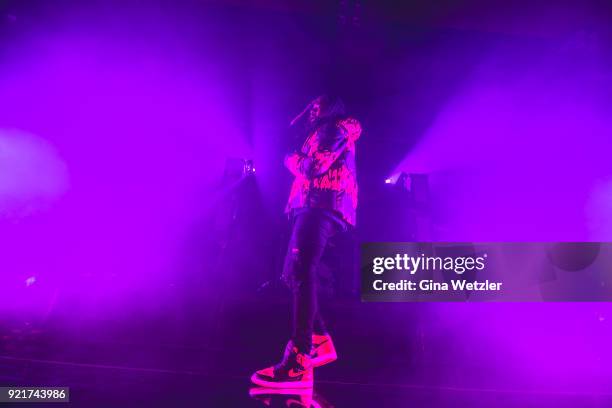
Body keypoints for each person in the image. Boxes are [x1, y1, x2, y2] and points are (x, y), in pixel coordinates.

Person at [251, 95, 362, 388]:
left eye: (318, 106)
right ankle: (319, 339)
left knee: (301, 271)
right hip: (311, 204)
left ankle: (300, 358)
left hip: (322, 202)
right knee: (292, 274)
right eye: (311, 106)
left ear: (332, 108)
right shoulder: (320, 131)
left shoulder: (335, 128)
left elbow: (315, 167)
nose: (312, 110)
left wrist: (289, 158)